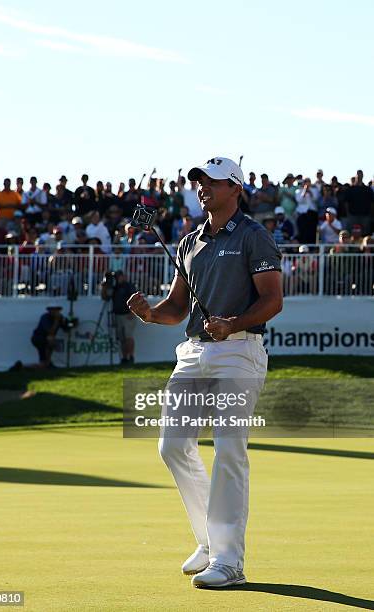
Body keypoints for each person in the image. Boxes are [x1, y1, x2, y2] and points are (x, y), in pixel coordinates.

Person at [127, 156, 282, 589]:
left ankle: (230, 562)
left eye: (213, 182)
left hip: (238, 352)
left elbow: (272, 300)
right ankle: (210, 542)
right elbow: (177, 309)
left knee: (229, 449)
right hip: (193, 352)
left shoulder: (254, 236)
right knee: (172, 446)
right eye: (199, 182)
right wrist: (149, 314)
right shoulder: (189, 241)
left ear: (235, 188)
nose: (203, 188)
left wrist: (233, 323)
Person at [102, 270, 137, 364]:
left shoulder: (129, 286)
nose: (117, 278)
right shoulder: (114, 287)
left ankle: (131, 357)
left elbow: (135, 299)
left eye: (119, 276)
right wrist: (104, 286)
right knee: (122, 338)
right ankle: (124, 358)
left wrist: (132, 312)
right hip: (117, 315)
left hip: (127, 315)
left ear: (123, 276)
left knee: (128, 336)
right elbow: (105, 297)